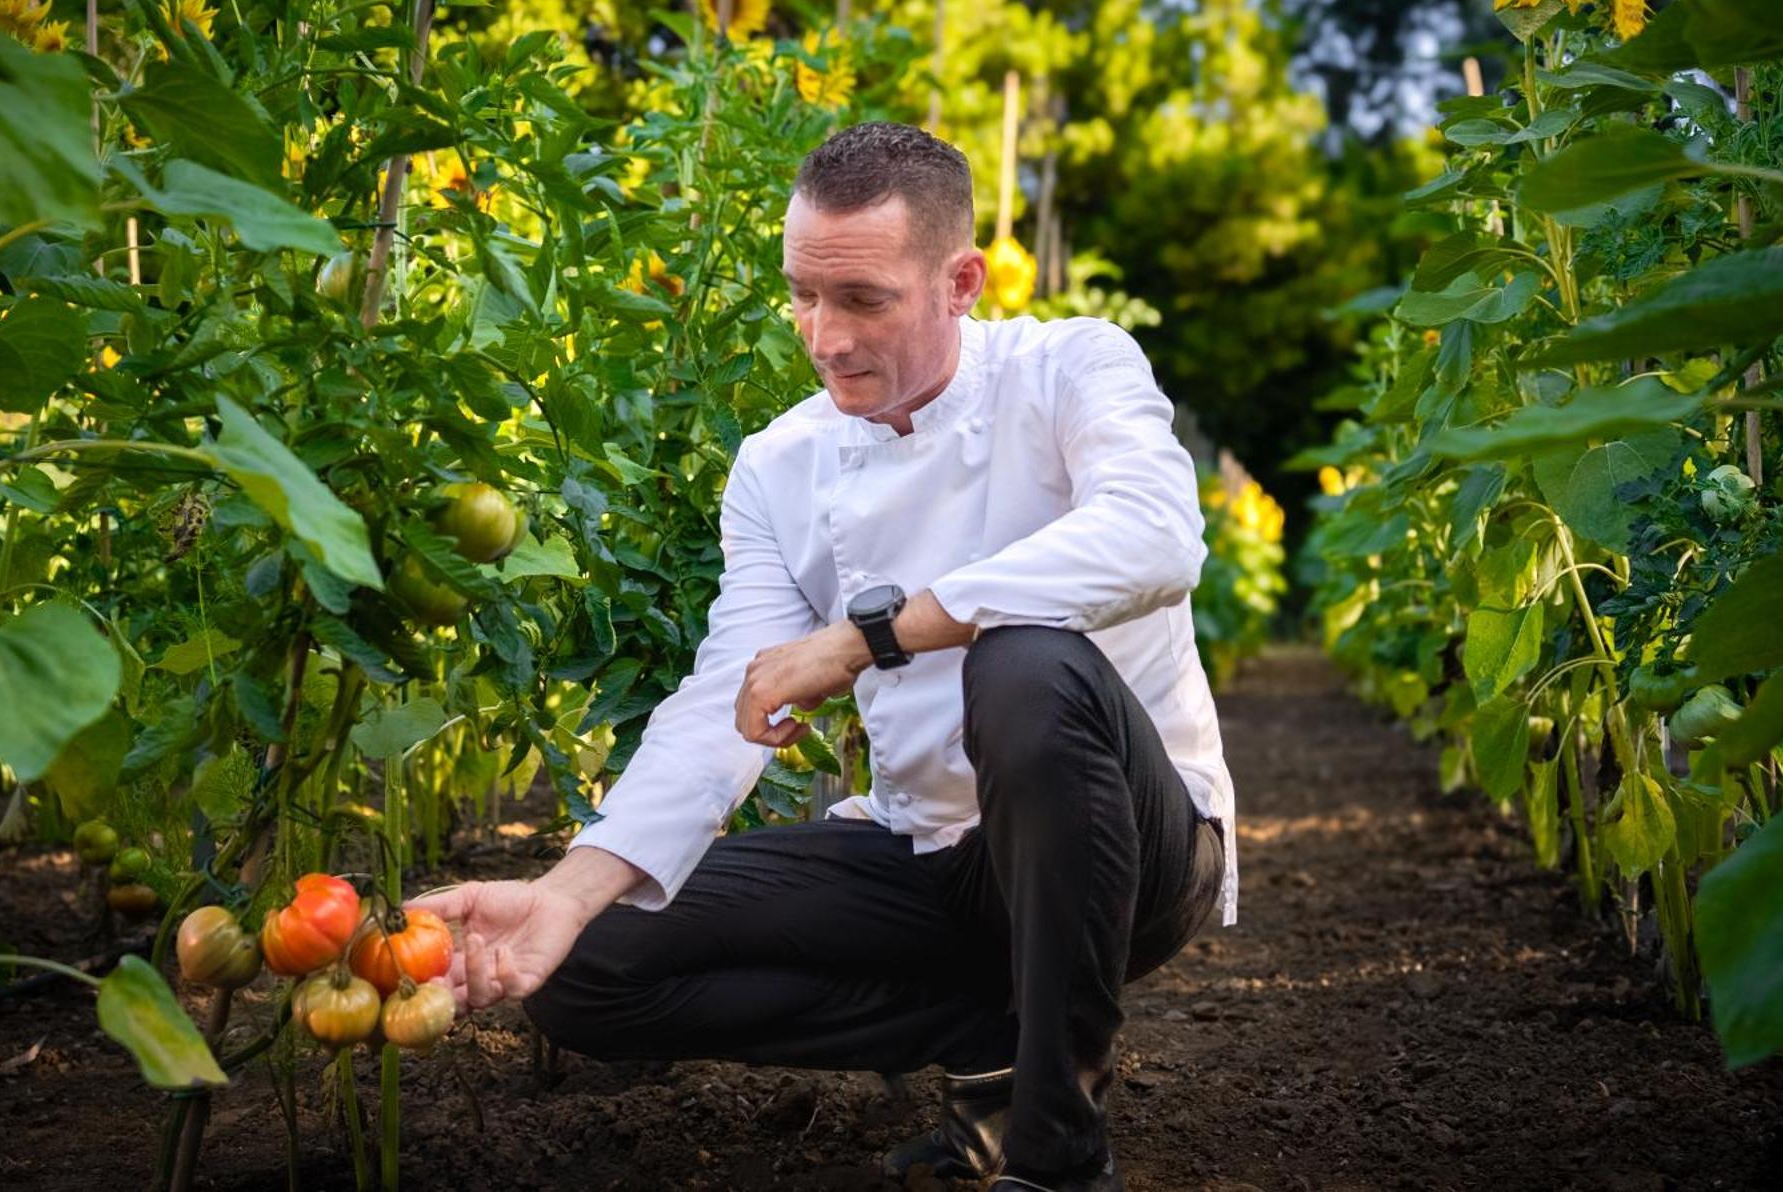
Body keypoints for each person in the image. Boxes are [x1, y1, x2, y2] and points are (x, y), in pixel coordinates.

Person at [411, 121, 1237, 1192]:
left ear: (960, 282)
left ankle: (1056, 1148)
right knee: (586, 965)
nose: (823, 335)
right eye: (802, 293)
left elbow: (1157, 537)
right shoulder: (779, 466)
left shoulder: (1068, 367)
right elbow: (730, 699)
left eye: (862, 300)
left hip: (1131, 851)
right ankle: (1003, 1034)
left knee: (1023, 663)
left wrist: (869, 634)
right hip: (932, 855)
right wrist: (564, 892)